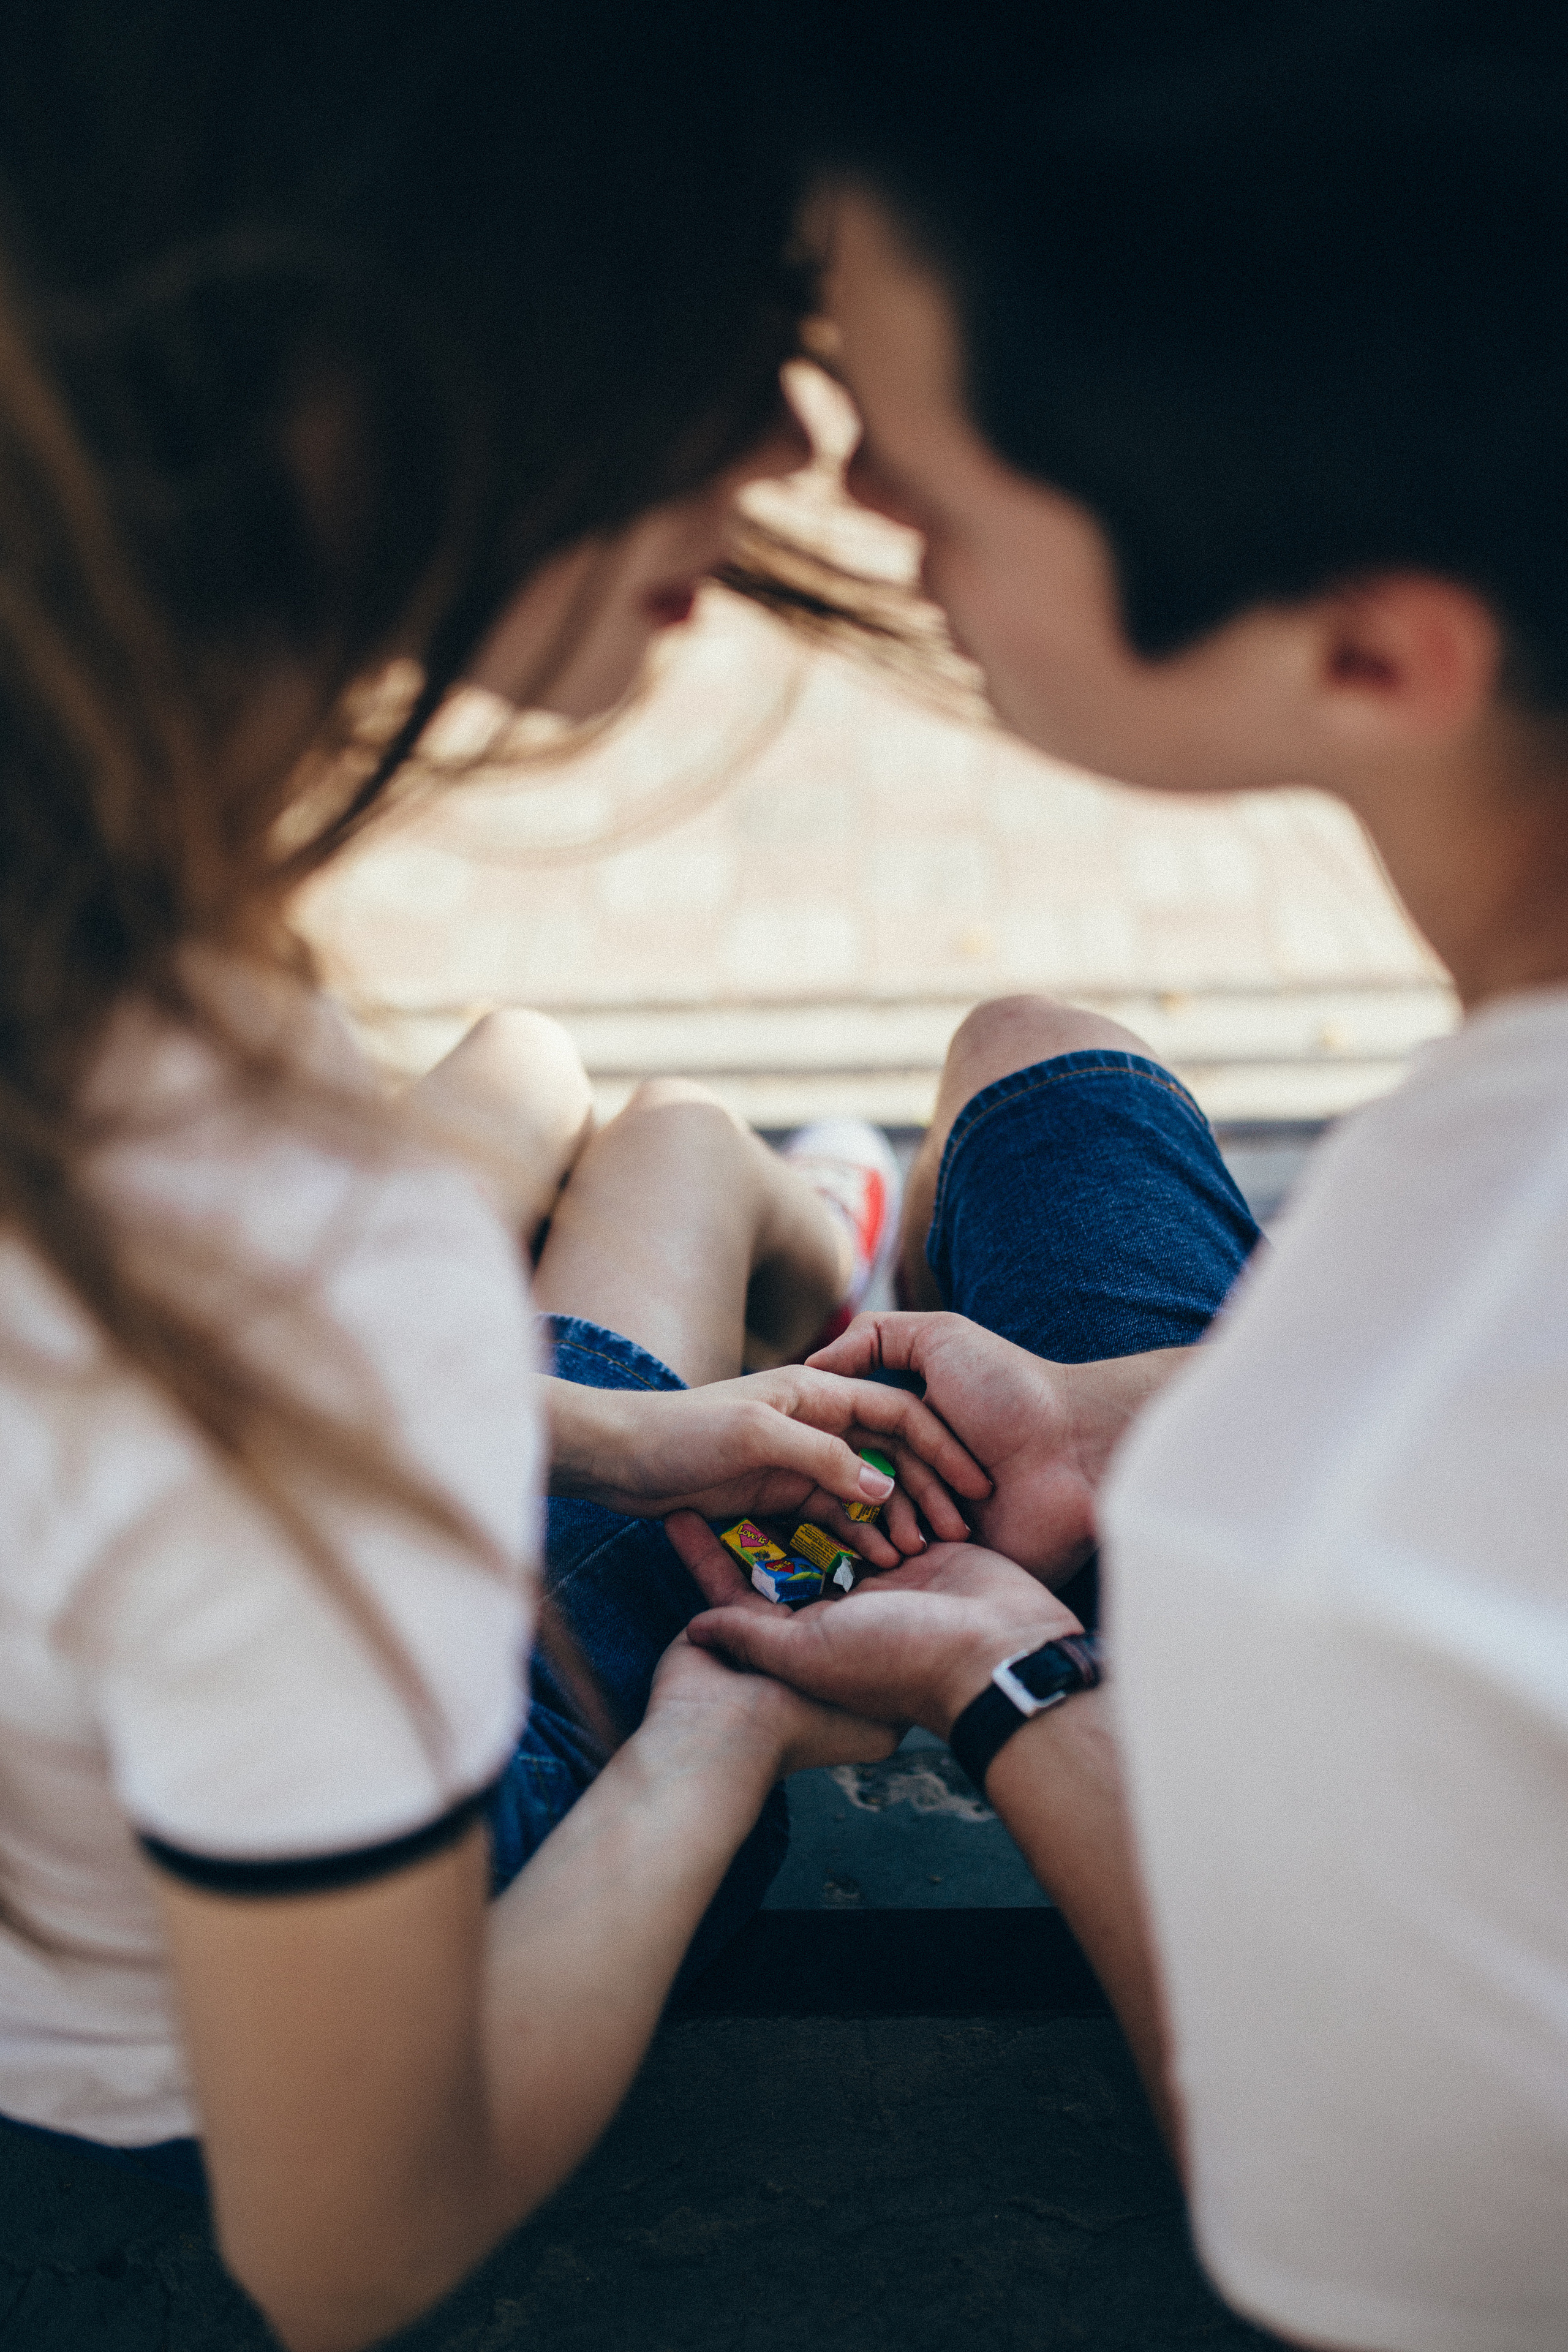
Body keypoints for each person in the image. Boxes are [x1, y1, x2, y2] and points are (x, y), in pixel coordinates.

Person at [0, 9, 991, 2349]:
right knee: (666, 1137)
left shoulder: (117, 1027)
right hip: (214, 2084)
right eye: (713, 330)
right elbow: (347, 2242)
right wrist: (724, 1724)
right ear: (349, 365)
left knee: (564, 1086)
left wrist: (613, 1440)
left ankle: (780, 1245)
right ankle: (812, 1231)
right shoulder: (284, 1268)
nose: (795, 443)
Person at [674, 9, 1568, 2349]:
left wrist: (1008, 1683)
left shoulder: (1336, 1525)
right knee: (1037, 1060)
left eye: (935, 471)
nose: (854, 489)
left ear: (1373, 649)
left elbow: (1380, 2221)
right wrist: (1103, 1419)